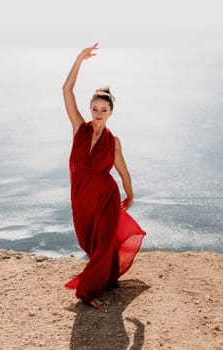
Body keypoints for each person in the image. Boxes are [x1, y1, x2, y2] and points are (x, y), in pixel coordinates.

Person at [62, 43, 146, 308]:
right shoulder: (79, 129)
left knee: (104, 242)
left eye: (104, 110)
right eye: (95, 109)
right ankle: (106, 277)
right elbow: (66, 90)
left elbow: (123, 171)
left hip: (106, 197)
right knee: (91, 243)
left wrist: (130, 193)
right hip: (82, 198)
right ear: (90, 109)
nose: (98, 114)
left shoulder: (114, 141)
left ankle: (89, 293)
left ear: (111, 113)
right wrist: (79, 60)